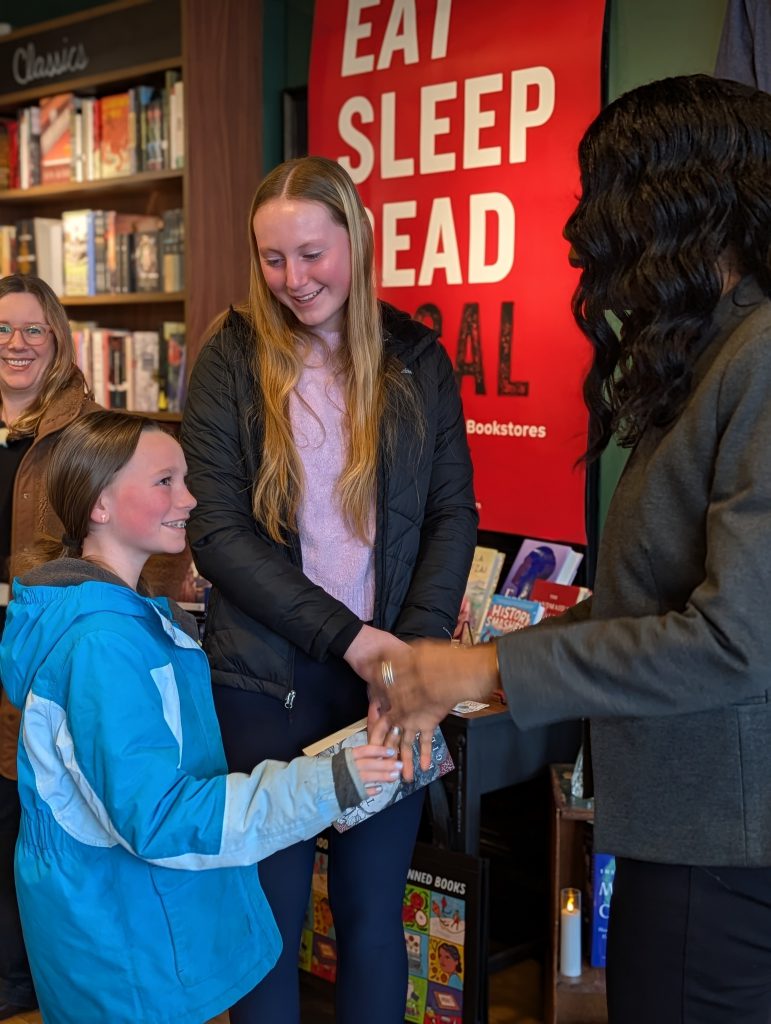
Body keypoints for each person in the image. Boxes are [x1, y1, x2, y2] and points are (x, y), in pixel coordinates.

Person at [379, 75, 771, 1024]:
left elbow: (733, 641)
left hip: (722, 841)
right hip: (692, 829)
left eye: (604, 195)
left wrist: (485, 662)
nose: (583, 231)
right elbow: (654, 595)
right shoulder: (719, 354)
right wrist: (491, 671)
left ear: (673, 201)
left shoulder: (759, 359)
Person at [180, 155, 477, 1024]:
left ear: (355, 237)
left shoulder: (416, 356)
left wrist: (411, 653)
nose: (293, 280)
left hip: (389, 687)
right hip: (262, 681)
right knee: (265, 926)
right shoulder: (230, 355)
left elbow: (451, 512)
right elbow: (218, 532)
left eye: (311, 254)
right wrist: (356, 641)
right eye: (272, 259)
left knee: (371, 920)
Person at [0, 409, 401, 1024]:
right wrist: (331, 783)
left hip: (128, 932)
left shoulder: (118, 620)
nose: (189, 498)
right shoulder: (101, 644)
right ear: (100, 504)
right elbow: (160, 819)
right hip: (128, 954)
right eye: (165, 481)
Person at [0, 273, 98, 1019]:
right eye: (2, 329)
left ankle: (21, 977)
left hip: (37, 650)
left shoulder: (85, 432)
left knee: (24, 812)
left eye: (33, 329)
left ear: (58, 340)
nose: (16, 344)